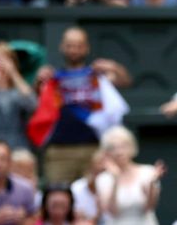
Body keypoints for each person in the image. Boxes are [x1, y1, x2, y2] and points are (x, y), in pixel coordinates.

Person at [31, 27, 130, 183]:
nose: (74, 50)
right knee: (56, 199)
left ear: (87, 48)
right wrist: (38, 80)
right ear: (62, 47)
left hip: (94, 150)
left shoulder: (97, 76)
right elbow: (34, 99)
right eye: (70, 45)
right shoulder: (52, 78)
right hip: (59, 151)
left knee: (94, 201)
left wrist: (112, 67)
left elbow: (125, 81)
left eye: (78, 45)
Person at [96, 125, 165, 225]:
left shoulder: (147, 172)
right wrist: (115, 179)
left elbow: (149, 207)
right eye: (113, 147)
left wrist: (152, 185)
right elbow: (112, 211)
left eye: (123, 146)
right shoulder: (104, 179)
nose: (119, 151)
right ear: (107, 152)